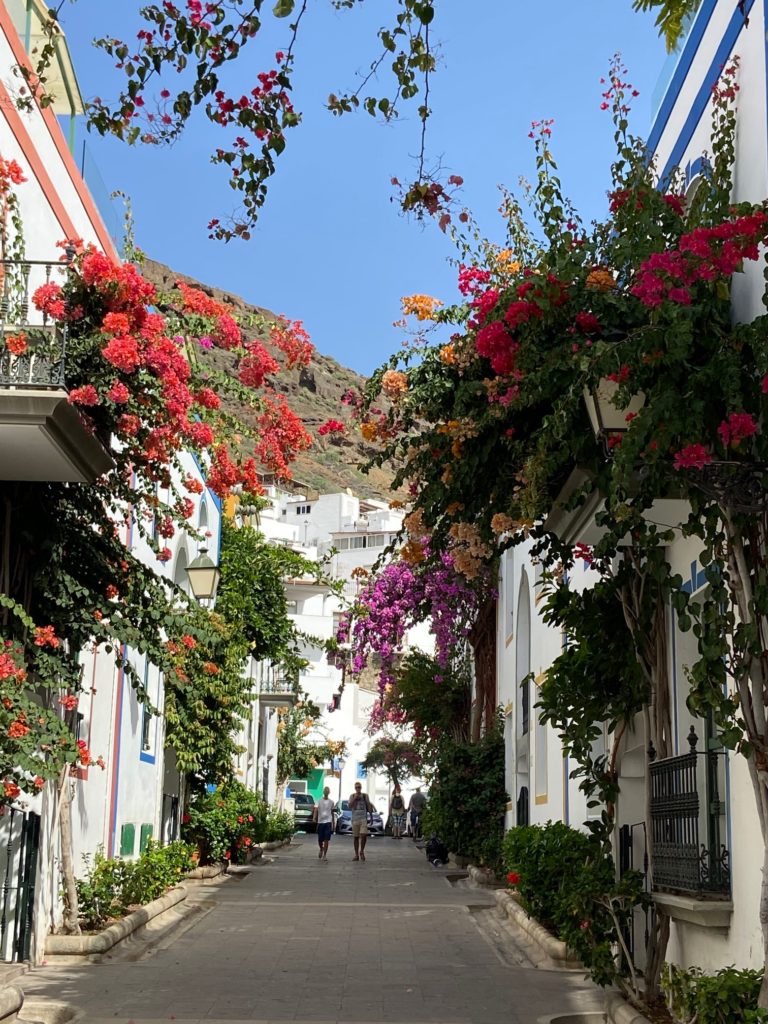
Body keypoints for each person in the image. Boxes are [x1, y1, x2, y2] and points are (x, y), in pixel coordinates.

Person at [349, 781, 372, 861]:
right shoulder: (352, 796)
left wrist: (371, 817)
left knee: (364, 835)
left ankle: (361, 851)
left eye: (359, 787)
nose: (358, 789)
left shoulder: (365, 796)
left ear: (361, 788)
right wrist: (355, 798)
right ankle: (356, 855)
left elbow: (369, 806)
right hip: (355, 819)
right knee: (356, 837)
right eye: (356, 787)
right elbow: (349, 806)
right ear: (355, 788)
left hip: (363, 818)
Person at [313, 786, 336, 860]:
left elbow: (332, 812)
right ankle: (321, 848)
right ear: (323, 792)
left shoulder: (331, 802)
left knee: (326, 839)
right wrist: (314, 817)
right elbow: (316, 810)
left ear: (329, 792)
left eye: (327, 791)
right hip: (320, 822)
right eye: (325, 790)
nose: (326, 792)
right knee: (320, 839)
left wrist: (333, 823)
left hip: (328, 822)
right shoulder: (318, 801)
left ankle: (325, 855)